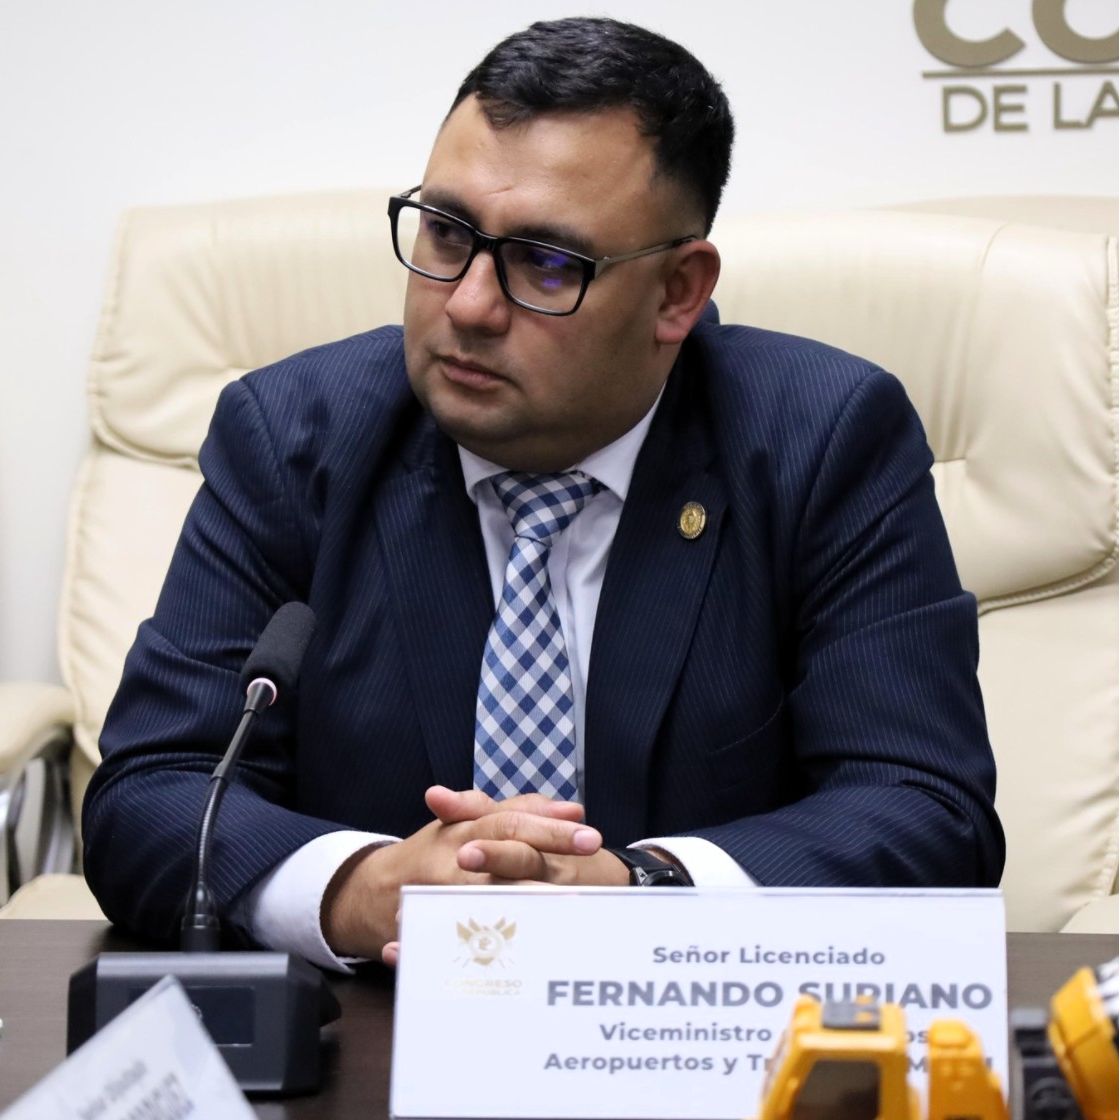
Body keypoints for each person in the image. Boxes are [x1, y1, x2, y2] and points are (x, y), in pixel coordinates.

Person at [82, 16, 1004, 968]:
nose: (469, 304)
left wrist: (640, 894)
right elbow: (151, 793)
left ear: (677, 293)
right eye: (446, 234)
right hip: (368, 1027)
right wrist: (362, 890)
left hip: (700, 1027)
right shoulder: (292, 436)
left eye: (548, 262)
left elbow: (924, 811)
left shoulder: (823, 439)